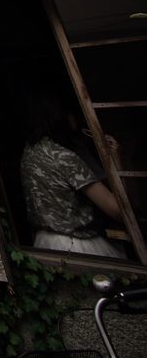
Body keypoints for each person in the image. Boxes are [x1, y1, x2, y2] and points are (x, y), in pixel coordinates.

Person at [20, 94, 125, 258]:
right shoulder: (64, 157)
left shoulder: (30, 151)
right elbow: (117, 210)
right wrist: (116, 161)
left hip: (44, 243)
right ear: (61, 116)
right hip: (78, 246)